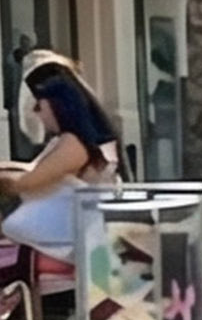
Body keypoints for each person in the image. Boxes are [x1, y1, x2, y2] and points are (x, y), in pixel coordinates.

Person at [0, 45, 123, 264]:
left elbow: (28, 182)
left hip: (79, 255)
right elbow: (34, 169)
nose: (38, 115)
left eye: (39, 107)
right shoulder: (71, 140)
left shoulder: (74, 145)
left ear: (58, 105)